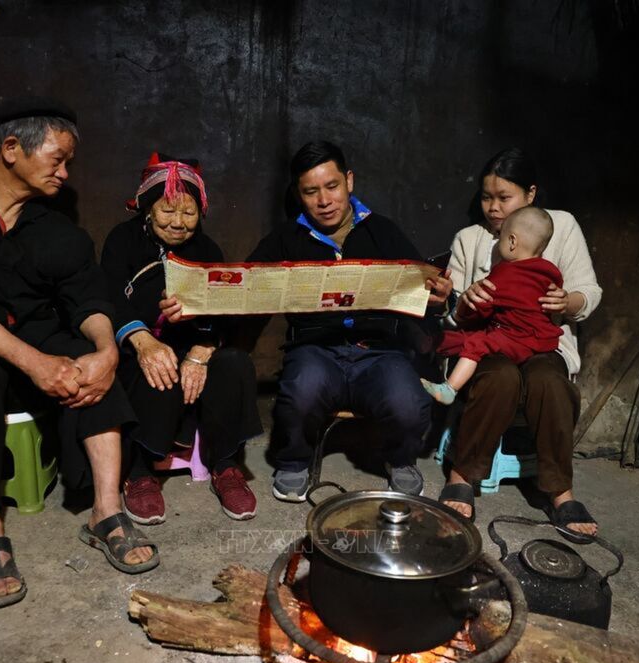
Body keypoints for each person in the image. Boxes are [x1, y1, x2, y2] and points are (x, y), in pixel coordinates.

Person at [0, 96, 158, 611]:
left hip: (41, 342)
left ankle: (105, 510)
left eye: (69, 163)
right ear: (12, 149)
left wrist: (105, 351)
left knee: (88, 360)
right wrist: (35, 364)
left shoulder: (53, 226)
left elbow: (88, 295)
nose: (65, 173)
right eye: (57, 159)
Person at [159, 141, 452, 501]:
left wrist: (439, 296)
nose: (324, 200)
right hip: (315, 351)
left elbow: (424, 285)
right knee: (300, 391)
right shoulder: (286, 238)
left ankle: (400, 459)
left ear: (349, 181)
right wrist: (191, 302)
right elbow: (244, 287)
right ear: (299, 194)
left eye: (332, 186)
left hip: (379, 352)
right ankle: (294, 460)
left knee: (409, 401)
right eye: (311, 192)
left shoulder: (382, 231)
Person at [438, 147, 602, 539]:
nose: (493, 208)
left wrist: (568, 301)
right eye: (486, 197)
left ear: (530, 194)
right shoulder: (469, 239)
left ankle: (560, 491)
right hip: (490, 343)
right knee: (500, 378)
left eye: (504, 197)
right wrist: (464, 302)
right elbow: (450, 312)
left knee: (550, 382)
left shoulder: (561, 227)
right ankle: (463, 475)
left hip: (543, 342)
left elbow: (589, 291)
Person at [100, 154, 263, 524]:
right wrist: (143, 340)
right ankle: (140, 471)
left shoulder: (207, 250)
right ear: (147, 208)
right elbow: (108, 298)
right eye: (167, 210)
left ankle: (225, 465)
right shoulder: (122, 241)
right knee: (156, 366)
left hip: (192, 348)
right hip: (138, 348)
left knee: (234, 362)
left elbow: (221, 312)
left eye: (189, 213)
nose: (178, 222)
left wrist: (201, 351)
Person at [421, 206, 563, 409]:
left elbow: (482, 307)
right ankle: (432, 344)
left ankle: (449, 389)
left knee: (476, 343)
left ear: (512, 242)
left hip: (515, 337)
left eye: (501, 238)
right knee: (464, 338)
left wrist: (469, 305)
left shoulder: (506, 274)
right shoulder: (550, 272)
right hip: (542, 339)